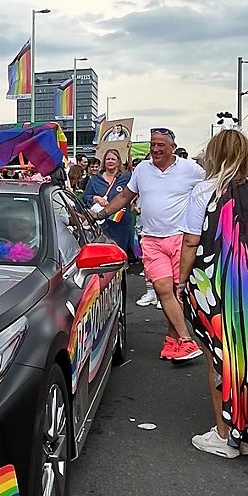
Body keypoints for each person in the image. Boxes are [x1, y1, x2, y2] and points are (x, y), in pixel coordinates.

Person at [177, 130, 248, 457]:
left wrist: (180, 282)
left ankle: (225, 434)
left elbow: (191, 243)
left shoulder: (203, 193)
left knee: (219, 357)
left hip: (217, 288)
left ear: (213, 156)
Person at [94, 127, 205, 363]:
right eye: (153, 144)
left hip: (180, 239)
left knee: (178, 292)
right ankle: (185, 340)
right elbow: (126, 197)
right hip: (151, 239)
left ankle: (171, 341)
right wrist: (101, 214)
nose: (155, 149)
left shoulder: (191, 170)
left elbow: (209, 190)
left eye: (160, 145)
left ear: (172, 148)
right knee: (163, 289)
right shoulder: (143, 169)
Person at [83, 149, 134, 257]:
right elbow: (85, 197)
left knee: (119, 253)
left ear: (118, 161)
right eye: (108, 159)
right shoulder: (95, 180)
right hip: (101, 223)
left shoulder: (126, 178)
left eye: (113, 159)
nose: (110, 161)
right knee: (103, 254)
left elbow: (133, 193)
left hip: (120, 223)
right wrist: (95, 198)